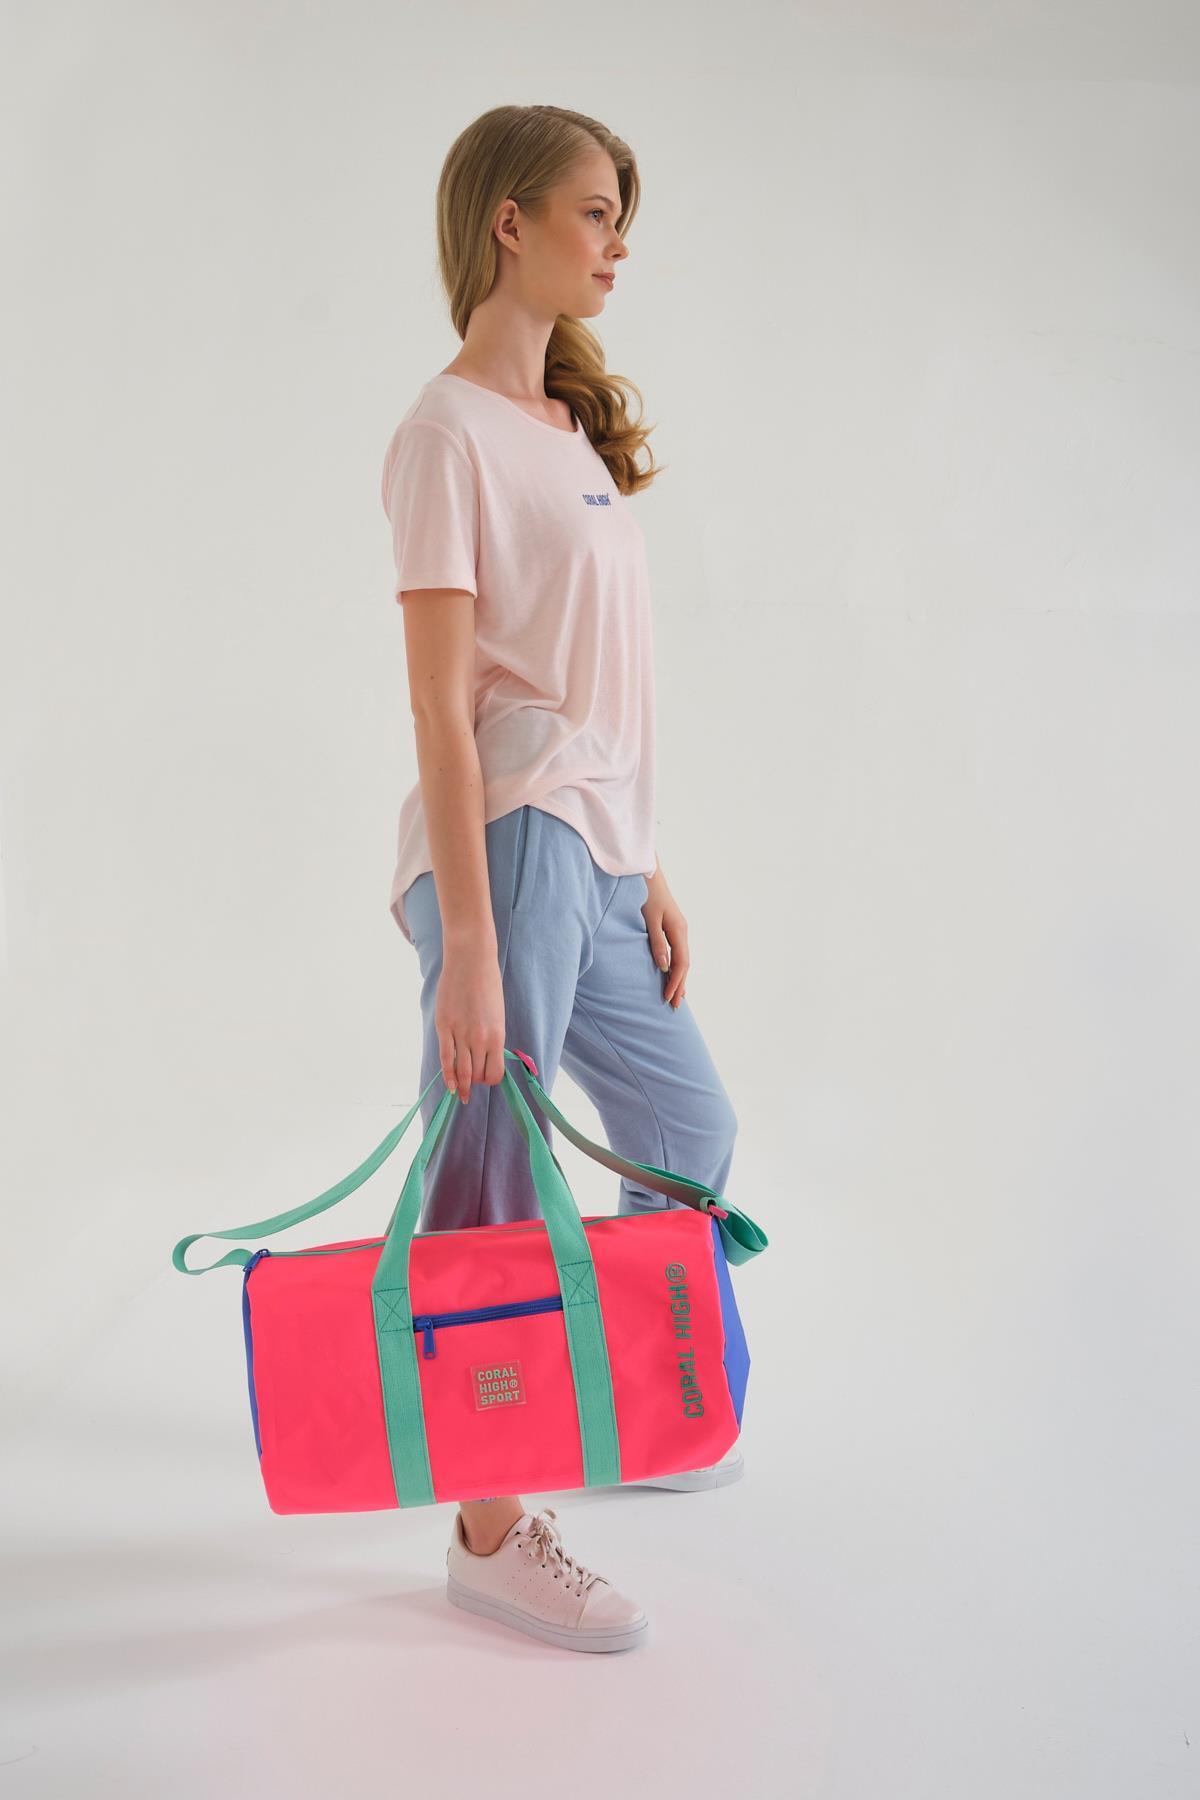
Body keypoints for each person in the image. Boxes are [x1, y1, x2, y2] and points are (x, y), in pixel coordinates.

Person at [380, 103, 741, 1655]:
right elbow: (441, 707)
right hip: (510, 844)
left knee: (686, 1130)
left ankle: (622, 1402)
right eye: (596, 212)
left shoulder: (565, 432)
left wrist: (646, 863)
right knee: (491, 1168)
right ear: (509, 223)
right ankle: (487, 1532)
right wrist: (467, 938)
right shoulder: (445, 434)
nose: (618, 244)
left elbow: (607, 686)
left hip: (593, 851)